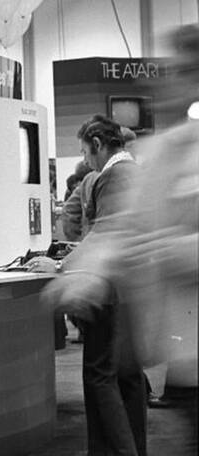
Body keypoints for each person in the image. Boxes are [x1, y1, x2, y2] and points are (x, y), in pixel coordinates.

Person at [49, 34, 199, 450]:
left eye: (185, 71)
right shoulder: (163, 150)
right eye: (171, 71)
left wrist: (172, 250)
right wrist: (82, 275)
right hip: (184, 355)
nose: (171, 83)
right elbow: (125, 227)